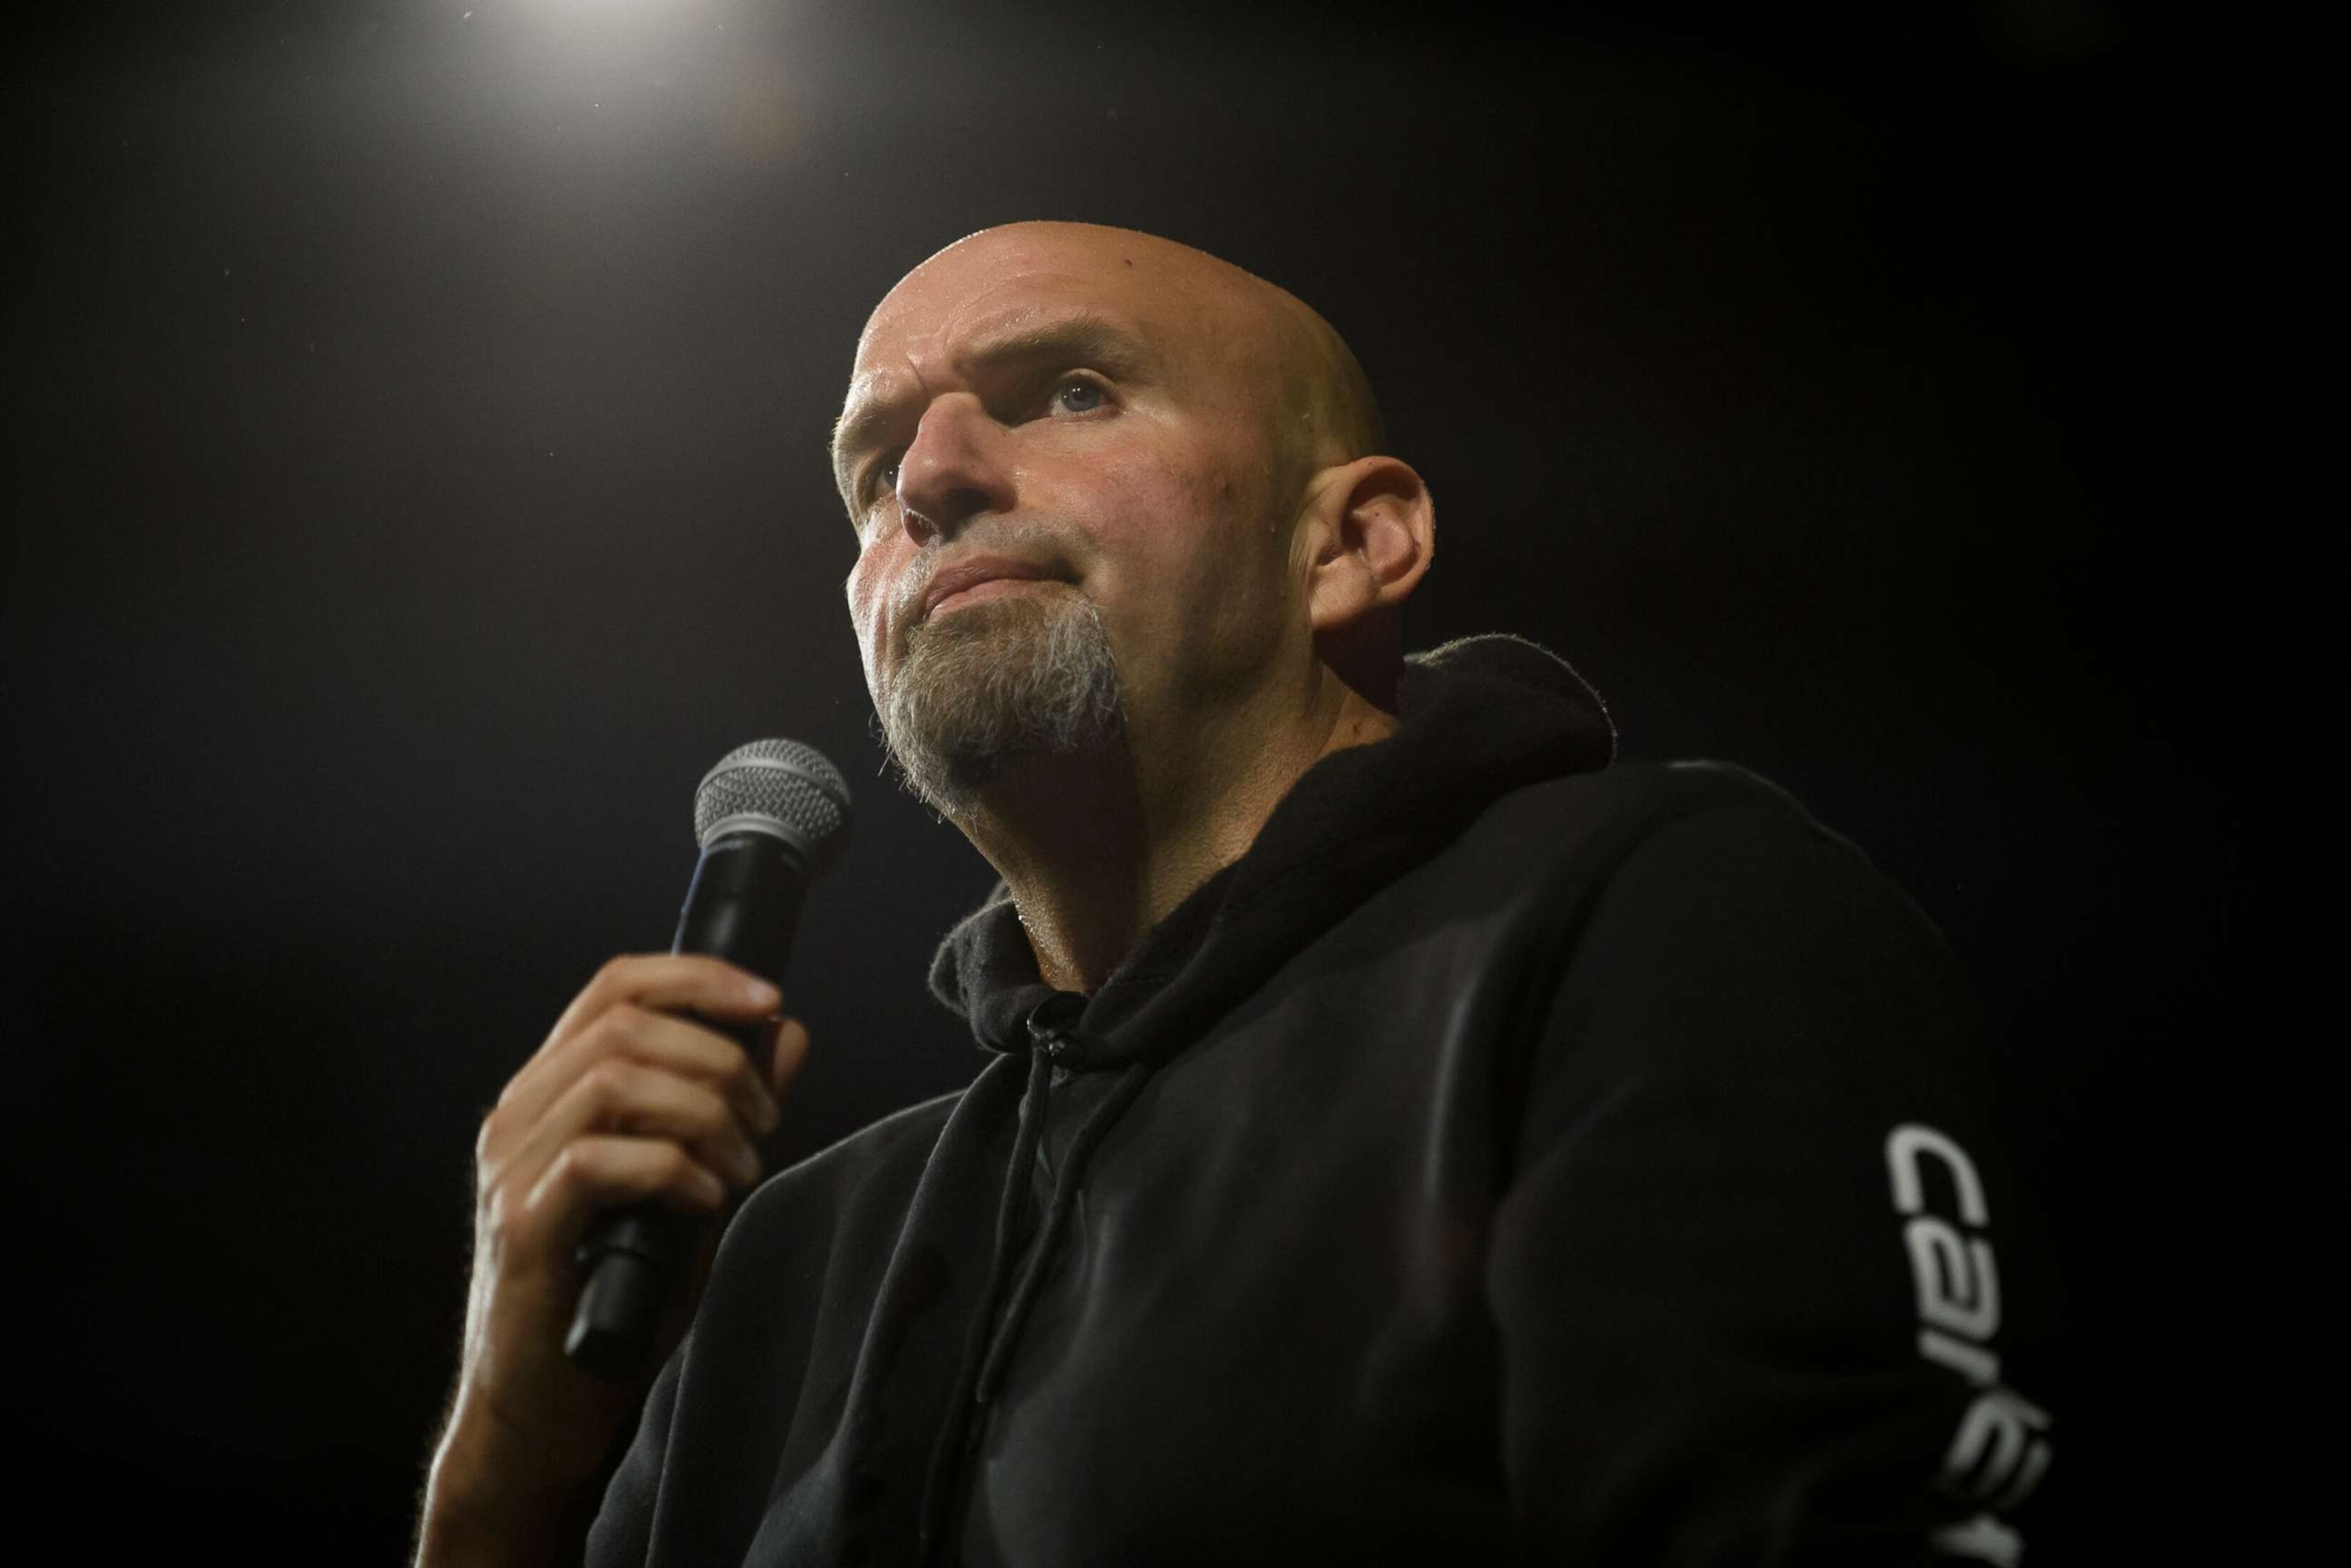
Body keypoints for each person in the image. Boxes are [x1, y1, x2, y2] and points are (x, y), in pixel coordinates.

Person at [413, 222, 2059, 1566]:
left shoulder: (1648, 921)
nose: (927, 481)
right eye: (869, 473)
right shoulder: (796, 1252)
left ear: (1354, 543)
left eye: (1063, 390)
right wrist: (507, 1460)